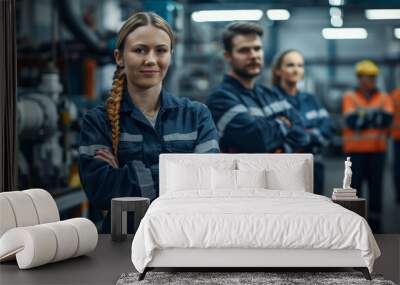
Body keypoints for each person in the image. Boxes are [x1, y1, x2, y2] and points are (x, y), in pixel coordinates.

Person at [78, 12, 219, 233]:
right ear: (119, 57)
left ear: (170, 55)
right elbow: (101, 192)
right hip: (124, 242)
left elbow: (210, 185)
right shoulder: (98, 121)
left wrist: (126, 174)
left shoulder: (197, 116)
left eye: (161, 50)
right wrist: (181, 174)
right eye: (139, 50)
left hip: (185, 238)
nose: (151, 60)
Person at [206, 22, 310, 154]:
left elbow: (302, 135)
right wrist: (284, 124)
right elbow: (256, 140)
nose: (254, 55)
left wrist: (277, 142)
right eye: (244, 50)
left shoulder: (271, 94)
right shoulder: (220, 99)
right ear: (228, 56)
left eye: (257, 48)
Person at [271, 49, 334, 195]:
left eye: (300, 65)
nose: (296, 70)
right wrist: (312, 135)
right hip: (284, 168)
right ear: (278, 71)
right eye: (290, 65)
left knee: (315, 211)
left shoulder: (311, 99)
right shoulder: (270, 99)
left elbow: (328, 128)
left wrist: (300, 135)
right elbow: (273, 136)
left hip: (314, 165)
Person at [342, 59, 394, 232]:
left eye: (372, 77)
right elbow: (351, 121)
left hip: (377, 152)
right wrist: (373, 118)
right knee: (354, 190)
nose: (368, 80)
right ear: (359, 78)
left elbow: (386, 120)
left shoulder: (384, 97)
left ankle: (376, 227)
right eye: (365, 77)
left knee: (376, 189)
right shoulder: (350, 97)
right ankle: (355, 227)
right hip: (355, 153)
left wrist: (363, 118)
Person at [391, 87, 400, 203]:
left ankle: (399, 195)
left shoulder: (395, 94)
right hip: (397, 138)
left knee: (398, 168)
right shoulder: (395, 95)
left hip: (397, 137)